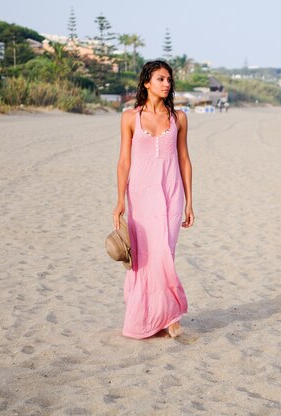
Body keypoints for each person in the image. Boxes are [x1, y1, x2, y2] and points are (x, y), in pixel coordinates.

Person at [113, 60, 194, 339]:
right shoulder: (129, 117)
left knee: (165, 253)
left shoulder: (179, 117)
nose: (167, 84)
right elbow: (124, 161)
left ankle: (169, 316)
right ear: (147, 83)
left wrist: (190, 201)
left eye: (169, 80)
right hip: (140, 195)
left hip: (171, 192)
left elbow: (184, 159)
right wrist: (120, 201)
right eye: (160, 79)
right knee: (145, 258)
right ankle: (157, 317)